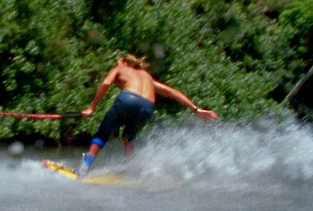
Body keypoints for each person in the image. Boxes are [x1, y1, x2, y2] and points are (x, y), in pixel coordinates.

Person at [79, 53, 218, 176]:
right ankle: (129, 172)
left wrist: (92, 107)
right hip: (147, 106)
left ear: (125, 62)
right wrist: (196, 109)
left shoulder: (120, 68)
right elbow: (173, 92)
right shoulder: (148, 78)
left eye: (118, 62)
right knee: (129, 139)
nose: (116, 64)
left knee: (102, 134)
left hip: (128, 98)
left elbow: (105, 83)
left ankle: (83, 169)